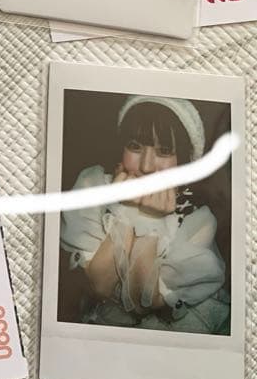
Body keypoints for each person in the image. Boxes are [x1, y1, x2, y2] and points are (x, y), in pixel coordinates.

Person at [59, 96, 228, 332]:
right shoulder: (93, 185)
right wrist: (127, 209)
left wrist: (150, 219)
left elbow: (142, 303)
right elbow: (100, 286)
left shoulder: (197, 220)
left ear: (184, 161)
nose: (147, 166)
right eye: (135, 146)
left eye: (164, 151)